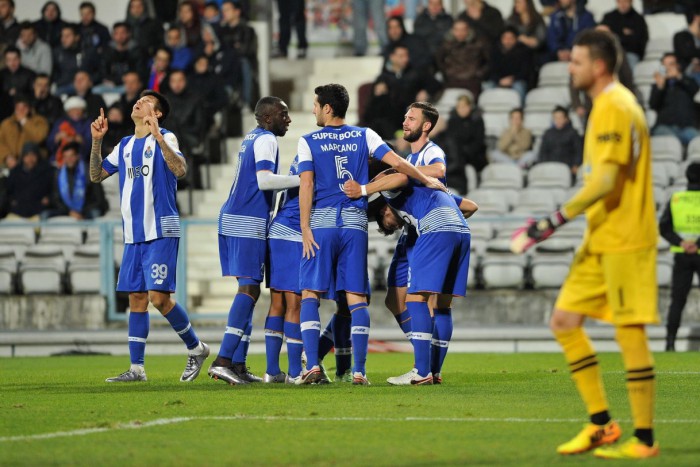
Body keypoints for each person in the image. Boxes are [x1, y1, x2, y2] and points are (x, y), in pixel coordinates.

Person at [510, 29, 659, 459]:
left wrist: (553, 221)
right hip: (601, 238)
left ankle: (644, 440)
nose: (569, 68)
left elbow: (607, 181)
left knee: (629, 332)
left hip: (626, 238)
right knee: (564, 320)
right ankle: (601, 424)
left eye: (576, 61)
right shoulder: (604, 105)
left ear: (599, 65)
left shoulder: (615, 105)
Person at [296, 83, 445, 385]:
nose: (313, 110)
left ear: (327, 108)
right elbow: (399, 164)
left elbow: (307, 185)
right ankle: (359, 371)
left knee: (310, 294)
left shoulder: (308, 140)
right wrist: (426, 179)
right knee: (357, 299)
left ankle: (311, 365)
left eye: (315, 105)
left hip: (323, 223)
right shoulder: (365, 135)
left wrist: (305, 228)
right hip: (354, 225)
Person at [89, 91, 210, 383]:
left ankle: (196, 348)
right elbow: (96, 175)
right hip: (134, 233)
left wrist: (158, 138)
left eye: (146, 102)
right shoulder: (125, 145)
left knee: (159, 298)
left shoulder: (166, 137)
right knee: (137, 298)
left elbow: (180, 170)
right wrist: (96, 141)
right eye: (139, 100)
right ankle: (137, 369)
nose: (139, 102)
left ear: (157, 114)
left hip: (161, 228)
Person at [343, 158, 472, 386]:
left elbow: (399, 176)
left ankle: (422, 371)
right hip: (461, 229)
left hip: (435, 229)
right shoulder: (424, 185)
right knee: (443, 304)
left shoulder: (390, 182)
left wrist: (363, 189)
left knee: (415, 299)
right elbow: (471, 206)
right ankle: (433, 370)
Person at [208, 96, 300, 386]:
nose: (288, 119)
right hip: (246, 220)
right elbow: (264, 180)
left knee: (248, 290)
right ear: (268, 118)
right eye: (283, 114)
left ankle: (237, 364)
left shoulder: (252, 137)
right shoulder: (267, 139)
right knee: (249, 290)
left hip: (234, 218)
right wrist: (303, 180)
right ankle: (223, 360)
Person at [659, 162, 700, 352]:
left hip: (681, 254)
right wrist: (696, 244)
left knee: (677, 300)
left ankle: (670, 343)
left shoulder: (676, 199)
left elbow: (663, 227)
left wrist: (681, 242)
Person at [437, 93, 488, 194]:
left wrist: (464, 153)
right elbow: (450, 141)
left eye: (464, 106)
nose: (461, 109)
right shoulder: (452, 121)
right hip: (456, 155)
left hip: (474, 156)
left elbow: (478, 142)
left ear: (470, 107)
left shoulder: (477, 120)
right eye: (459, 107)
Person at [44, 141, 105, 220]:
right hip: (66, 211)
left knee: (95, 213)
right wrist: (69, 212)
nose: (69, 159)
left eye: (71, 156)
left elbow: (99, 199)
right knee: (45, 215)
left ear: (77, 156)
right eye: (66, 157)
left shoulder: (90, 172)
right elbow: (55, 199)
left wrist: (81, 212)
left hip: (86, 211)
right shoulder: (58, 175)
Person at [650, 53, 699, 146]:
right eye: (665, 65)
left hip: (687, 127)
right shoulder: (658, 85)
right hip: (665, 127)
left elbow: (694, 90)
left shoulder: (687, 80)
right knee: (670, 140)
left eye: (671, 64)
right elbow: (653, 105)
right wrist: (660, 87)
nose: (668, 68)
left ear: (677, 66)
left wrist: (679, 77)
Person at [435, 18, 489, 99]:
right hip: (452, 80)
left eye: (463, 30)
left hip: (472, 81)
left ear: (468, 30)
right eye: (457, 30)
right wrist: (447, 72)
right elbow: (439, 61)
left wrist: (479, 74)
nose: (460, 33)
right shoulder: (446, 45)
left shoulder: (478, 44)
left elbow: (488, 61)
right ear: (452, 31)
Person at [3, 142, 53, 220]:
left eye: (33, 155)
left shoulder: (46, 171)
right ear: (23, 157)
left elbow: (52, 191)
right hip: (17, 212)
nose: (30, 159)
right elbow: (8, 192)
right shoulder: (15, 172)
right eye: (27, 155)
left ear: (37, 156)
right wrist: (12, 201)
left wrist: (48, 199)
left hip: (39, 213)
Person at [0, 95, 49, 169]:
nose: (21, 110)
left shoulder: (39, 121)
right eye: (18, 107)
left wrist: (24, 121)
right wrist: (7, 157)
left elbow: (39, 137)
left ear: (29, 108)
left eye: (24, 107)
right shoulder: (6, 124)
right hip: (8, 163)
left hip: (32, 164)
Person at [536, 105, 582, 178]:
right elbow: (543, 152)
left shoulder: (573, 133)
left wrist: (576, 165)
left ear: (566, 119)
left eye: (560, 117)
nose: (558, 120)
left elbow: (578, 151)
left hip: (568, 169)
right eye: (555, 118)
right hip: (550, 168)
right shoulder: (548, 133)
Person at [601, 0, 648, 69]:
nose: (623, 4)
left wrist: (614, 35)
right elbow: (602, 35)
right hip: (611, 52)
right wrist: (624, 35)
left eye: (626, 2)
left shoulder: (638, 19)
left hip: (630, 53)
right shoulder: (609, 17)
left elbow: (638, 41)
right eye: (620, 2)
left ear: (631, 2)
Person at [48, 96, 91, 165]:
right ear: (68, 112)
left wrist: (81, 141)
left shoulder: (87, 123)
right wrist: (57, 137)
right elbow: (50, 143)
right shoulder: (60, 122)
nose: (76, 112)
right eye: (73, 110)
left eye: (79, 109)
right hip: (59, 158)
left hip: (80, 159)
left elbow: (91, 144)